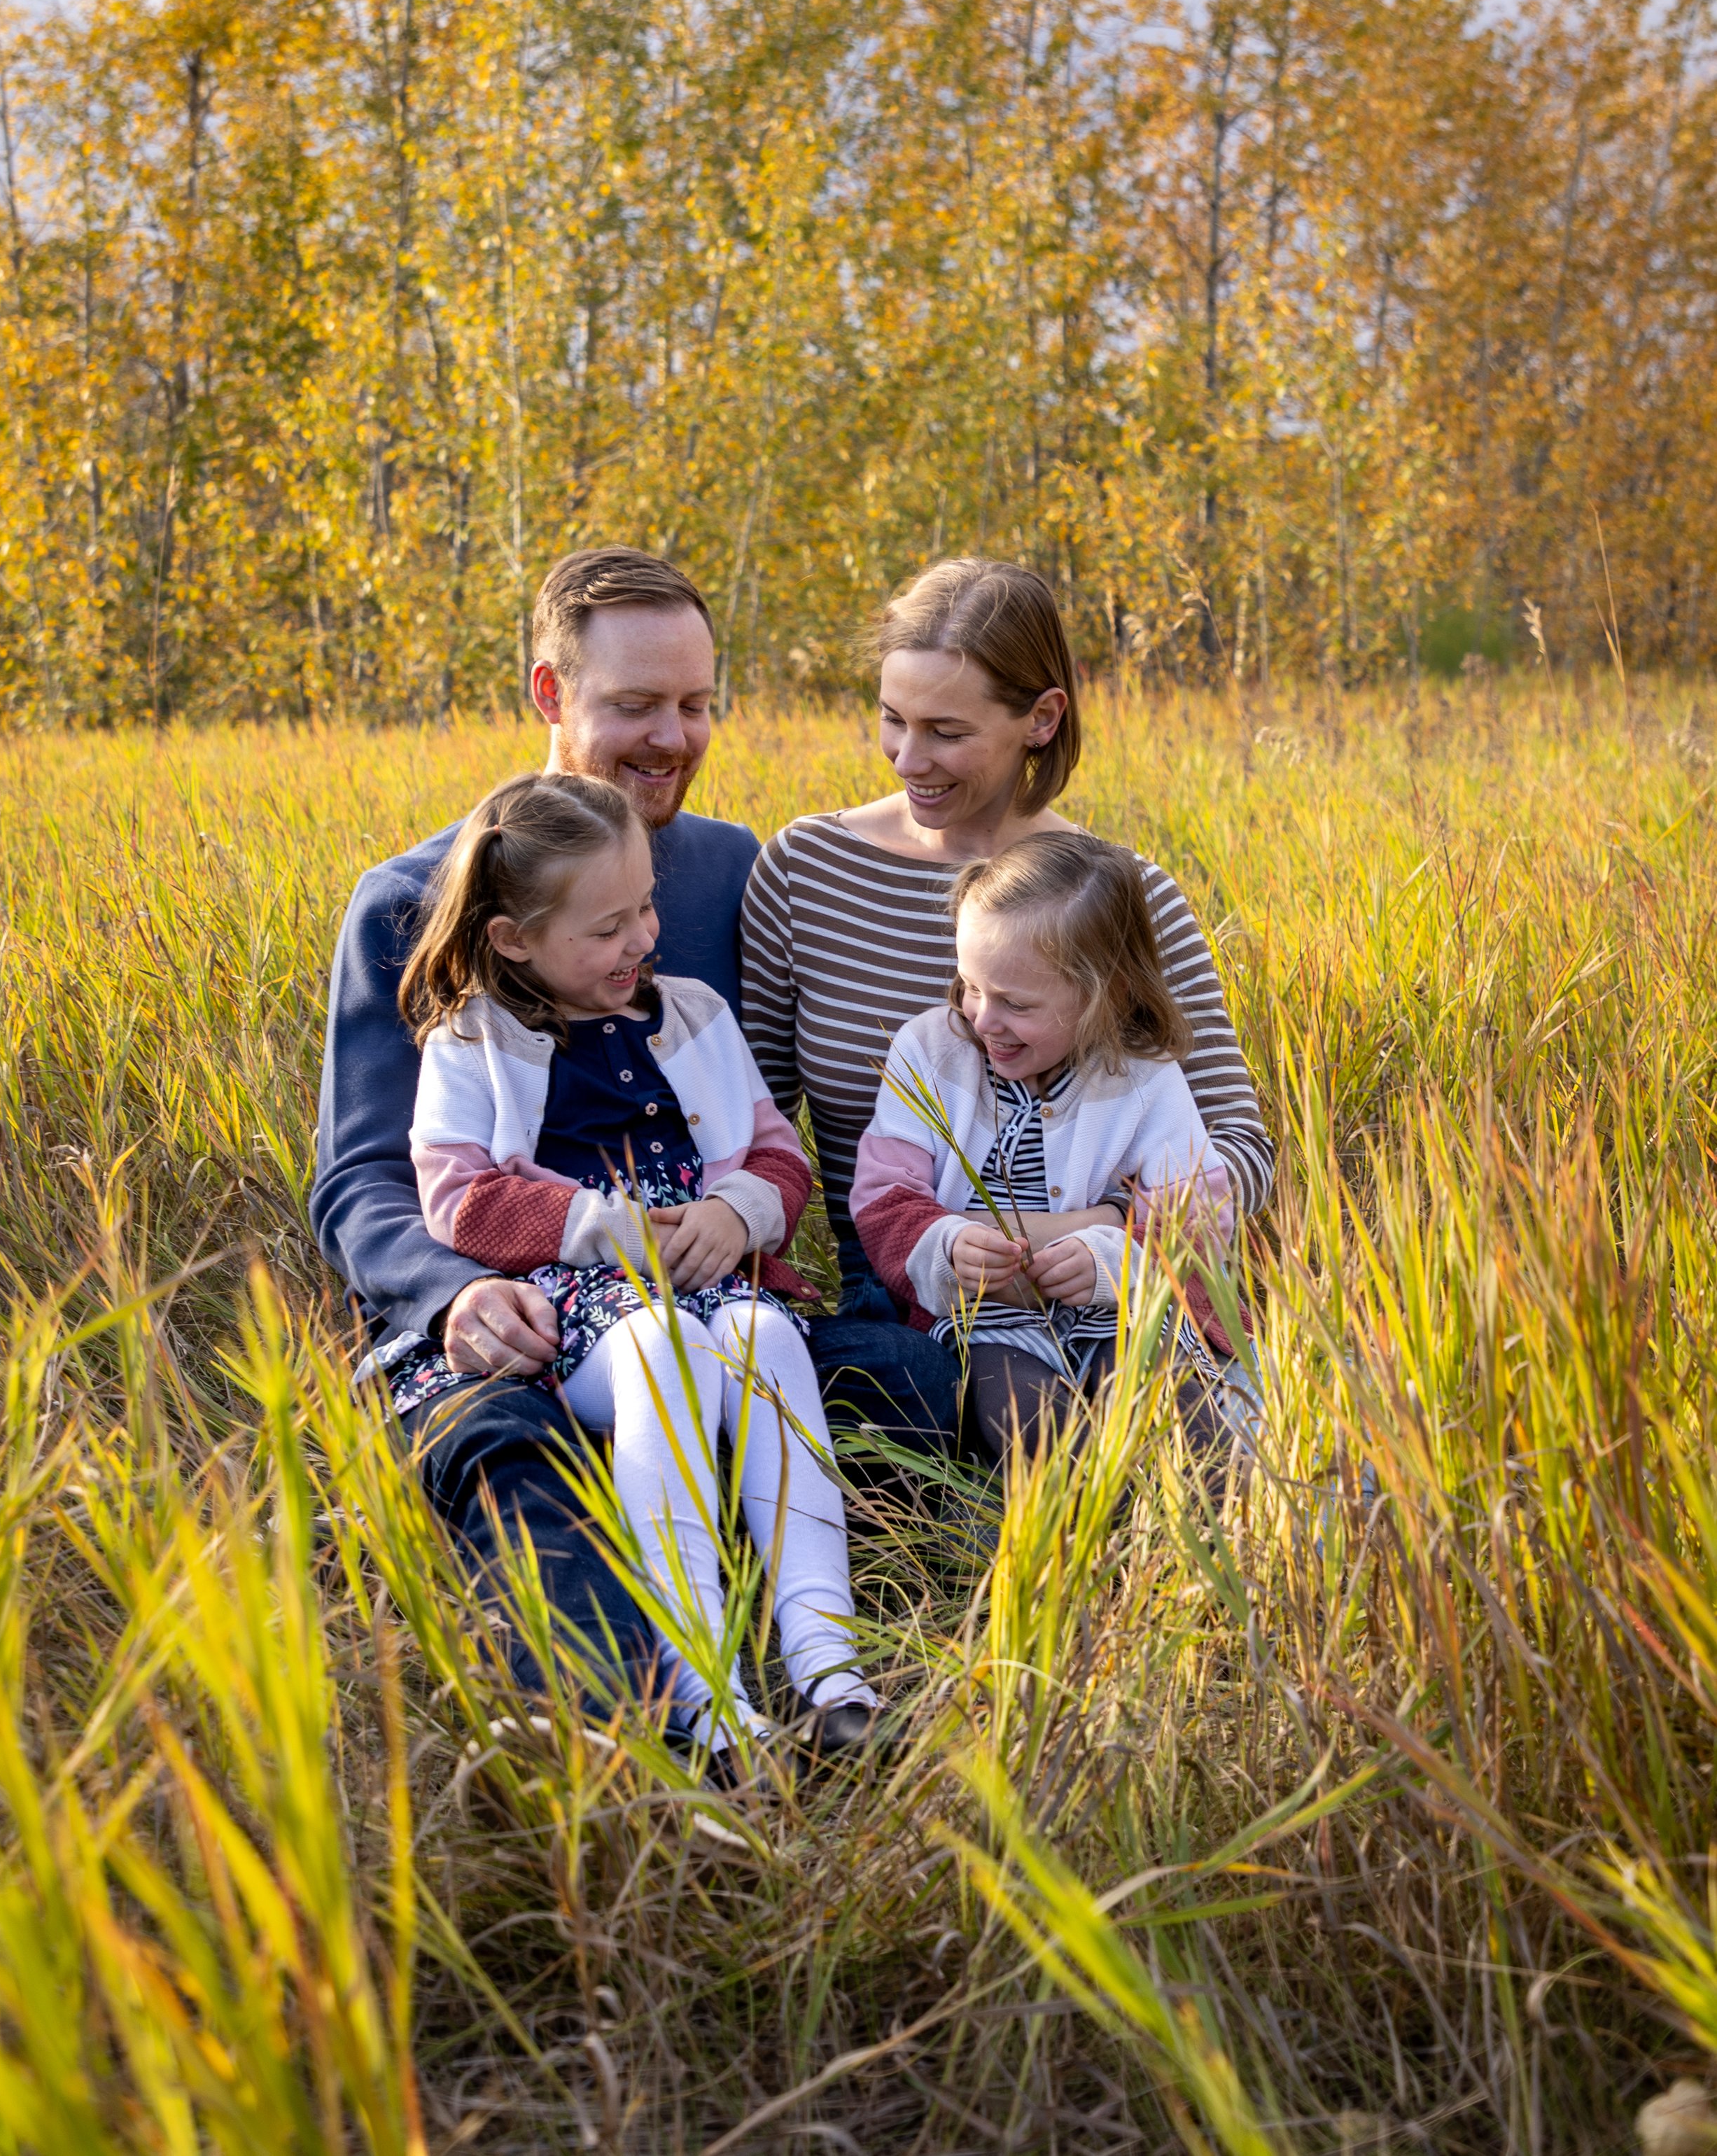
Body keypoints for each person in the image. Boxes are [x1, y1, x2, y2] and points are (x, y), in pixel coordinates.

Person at [309, 544, 950, 1709]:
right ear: (551, 694)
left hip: (703, 1302)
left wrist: (750, 1209)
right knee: (512, 1457)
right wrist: (452, 1294)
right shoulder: (415, 902)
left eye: (698, 705)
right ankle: (665, 1717)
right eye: (635, 705)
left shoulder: (727, 872)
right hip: (506, 1319)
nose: (673, 738)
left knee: (910, 1383)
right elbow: (361, 1177)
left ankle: (820, 1641)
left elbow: (772, 1107)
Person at [397, 768, 876, 1752]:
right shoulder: (471, 1036)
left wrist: (741, 1214)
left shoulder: (694, 1011)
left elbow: (776, 1150)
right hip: (578, 1307)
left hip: (717, 1278)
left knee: (763, 1340)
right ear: (513, 938)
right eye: (607, 927)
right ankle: (707, 1689)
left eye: (647, 906)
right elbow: (457, 1197)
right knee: (660, 1346)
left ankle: (830, 1665)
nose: (643, 940)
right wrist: (605, 1228)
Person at [741, 559, 1273, 1442]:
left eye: (946, 731)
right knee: (920, 1395)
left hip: (1114, 1271)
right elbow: (747, 1128)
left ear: (1041, 717)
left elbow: (1239, 1155)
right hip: (908, 1287)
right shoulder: (805, 871)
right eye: (891, 719)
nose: (909, 758)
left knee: (1193, 1421)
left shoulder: (1115, 898)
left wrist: (1101, 1231)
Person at [851, 831, 1254, 1460]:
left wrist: (1107, 1258)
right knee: (1026, 1419)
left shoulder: (1143, 1078)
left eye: (1016, 1003)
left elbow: (1199, 1224)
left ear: (1107, 995)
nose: (983, 1019)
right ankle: (1086, 1534)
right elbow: (884, 1202)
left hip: (1122, 1314)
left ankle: (1219, 1535)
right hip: (985, 1324)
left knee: (1182, 1413)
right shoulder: (930, 1053)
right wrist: (950, 1247)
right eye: (970, 986)